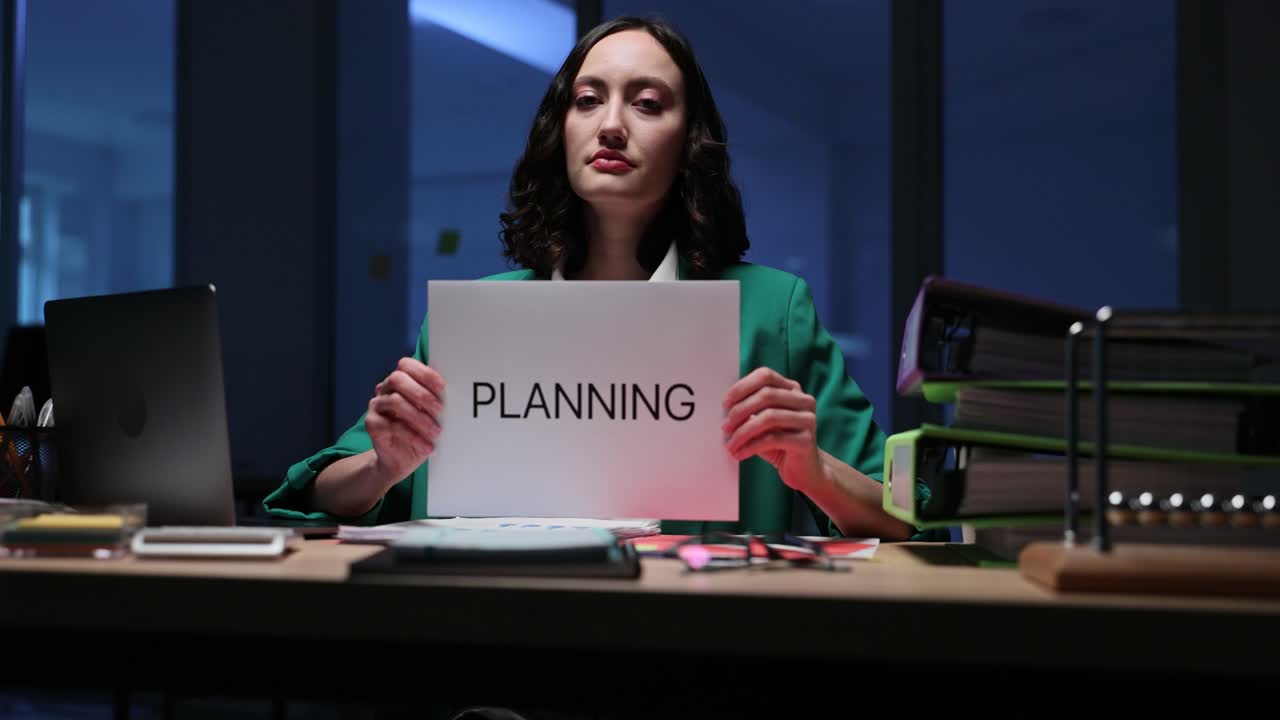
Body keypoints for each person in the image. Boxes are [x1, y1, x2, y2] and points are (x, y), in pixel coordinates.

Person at [263, 15, 936, 542]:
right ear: (562, 130)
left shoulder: (770, 310)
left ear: (689, 143)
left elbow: (903, 517)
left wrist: (811, 472)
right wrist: (384, 467)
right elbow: (320, 494)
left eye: (646, 103)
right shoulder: (478, 319)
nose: (611, 125)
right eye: (588, 101)